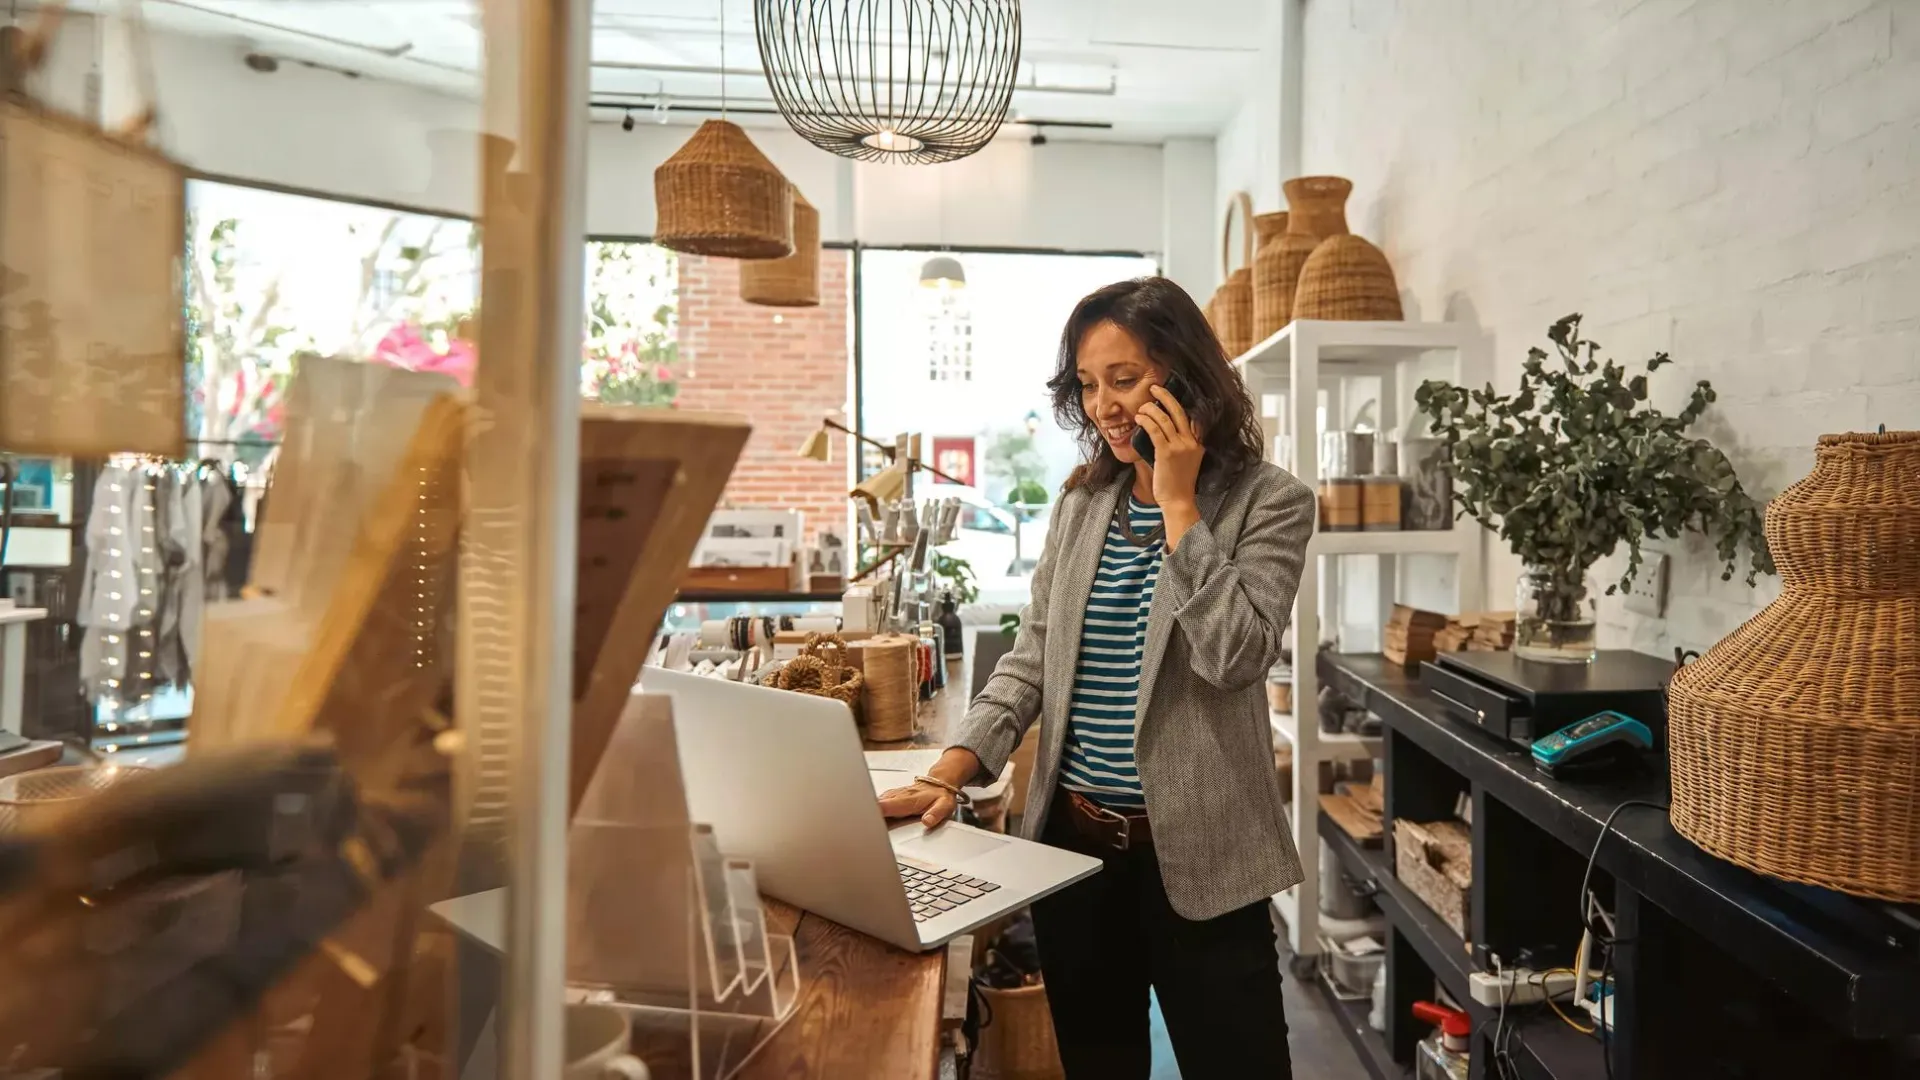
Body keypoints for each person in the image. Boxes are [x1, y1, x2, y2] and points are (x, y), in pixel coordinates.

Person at [879, 276, 1314, 1078]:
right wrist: (955, 765)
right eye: (1088, 384)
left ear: (1186, 377)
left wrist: (1180, 508)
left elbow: (1237, 656)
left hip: (1207, 862)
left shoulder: (1270, 502)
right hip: (1075, 860)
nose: (1105, 405)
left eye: (1125, 378)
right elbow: (1031, 660)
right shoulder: (1082, 507)